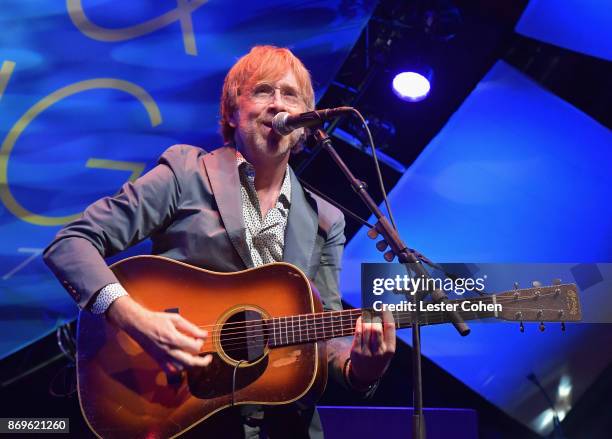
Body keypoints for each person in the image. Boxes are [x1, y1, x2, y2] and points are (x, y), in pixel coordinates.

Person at [43, 45, 395, 438]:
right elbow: (71, 243)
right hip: (179, 411)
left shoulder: (325, 221)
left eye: (290, 94)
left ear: (306, 124)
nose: (278, 104)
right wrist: (136, 319)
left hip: (282, 425)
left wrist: (361, 369)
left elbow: (325, 338)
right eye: (263, 90)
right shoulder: (185, 173)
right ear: (231, 110)